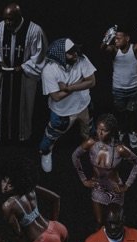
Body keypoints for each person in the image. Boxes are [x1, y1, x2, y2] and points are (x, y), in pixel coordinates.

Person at [0, 3, 47, 144]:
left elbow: (40, 57)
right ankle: (2, 135)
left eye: (10, 19)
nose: (7, 23)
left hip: (24, 78)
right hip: (4, 76)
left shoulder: (34, 31)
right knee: (1, 106)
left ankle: (21, 136)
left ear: (19, 17)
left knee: (23, 108)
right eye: (5, 19)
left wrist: (23, 67)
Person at [38, 38, 97, 173]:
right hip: (62, 112)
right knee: (52, 134)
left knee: (89, 129)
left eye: (75, 50)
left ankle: (90, 147)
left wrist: (68, 88)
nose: (75, 54)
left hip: (83, 105)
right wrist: (81, 82)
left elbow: (92, 82)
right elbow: (56, 97)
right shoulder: (49, 70)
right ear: (60, 56)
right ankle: (46, 152)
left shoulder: (81, 59)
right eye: (70, 53)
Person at [72, 113, 137, 226]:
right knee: (99, 222)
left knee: (115, 223)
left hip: (115, 189)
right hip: (98, 187)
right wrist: (83, 179)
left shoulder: (119, 149)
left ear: (111, 131)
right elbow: (75, 156)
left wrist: (127, 185)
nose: (99, 133)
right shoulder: (91, 143)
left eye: (104, 130)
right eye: (98, 129)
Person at [100, 24, 137, 147]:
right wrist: (107, 38)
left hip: (133, 89)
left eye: (118, 38)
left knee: (132, 113)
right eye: (115, 38)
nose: (116, 40)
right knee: (120, 113)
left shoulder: (135, 48)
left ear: (127, 38)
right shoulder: (114, 50)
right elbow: (102, 48)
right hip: (118, 89)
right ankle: (121, 131)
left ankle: (131, 132)